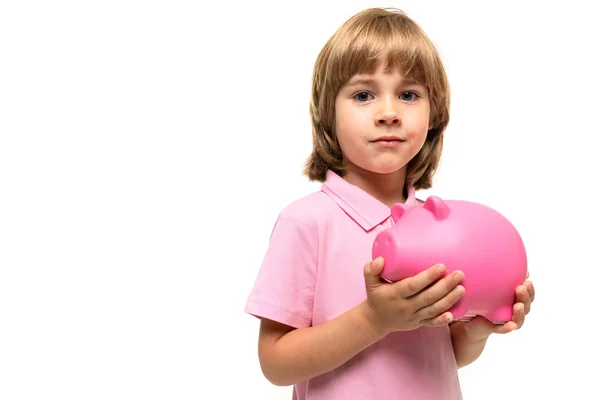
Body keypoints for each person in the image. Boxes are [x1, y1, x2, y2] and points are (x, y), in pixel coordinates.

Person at [244, 7, 535, 400]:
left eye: (409, 94)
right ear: (328, 113)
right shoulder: (308, 222)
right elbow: (275, 364)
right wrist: (373, 318)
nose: (388, 113)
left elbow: (440, 358)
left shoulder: (440, 227)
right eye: (363, 95)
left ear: (434, 114)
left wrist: (479, 327)